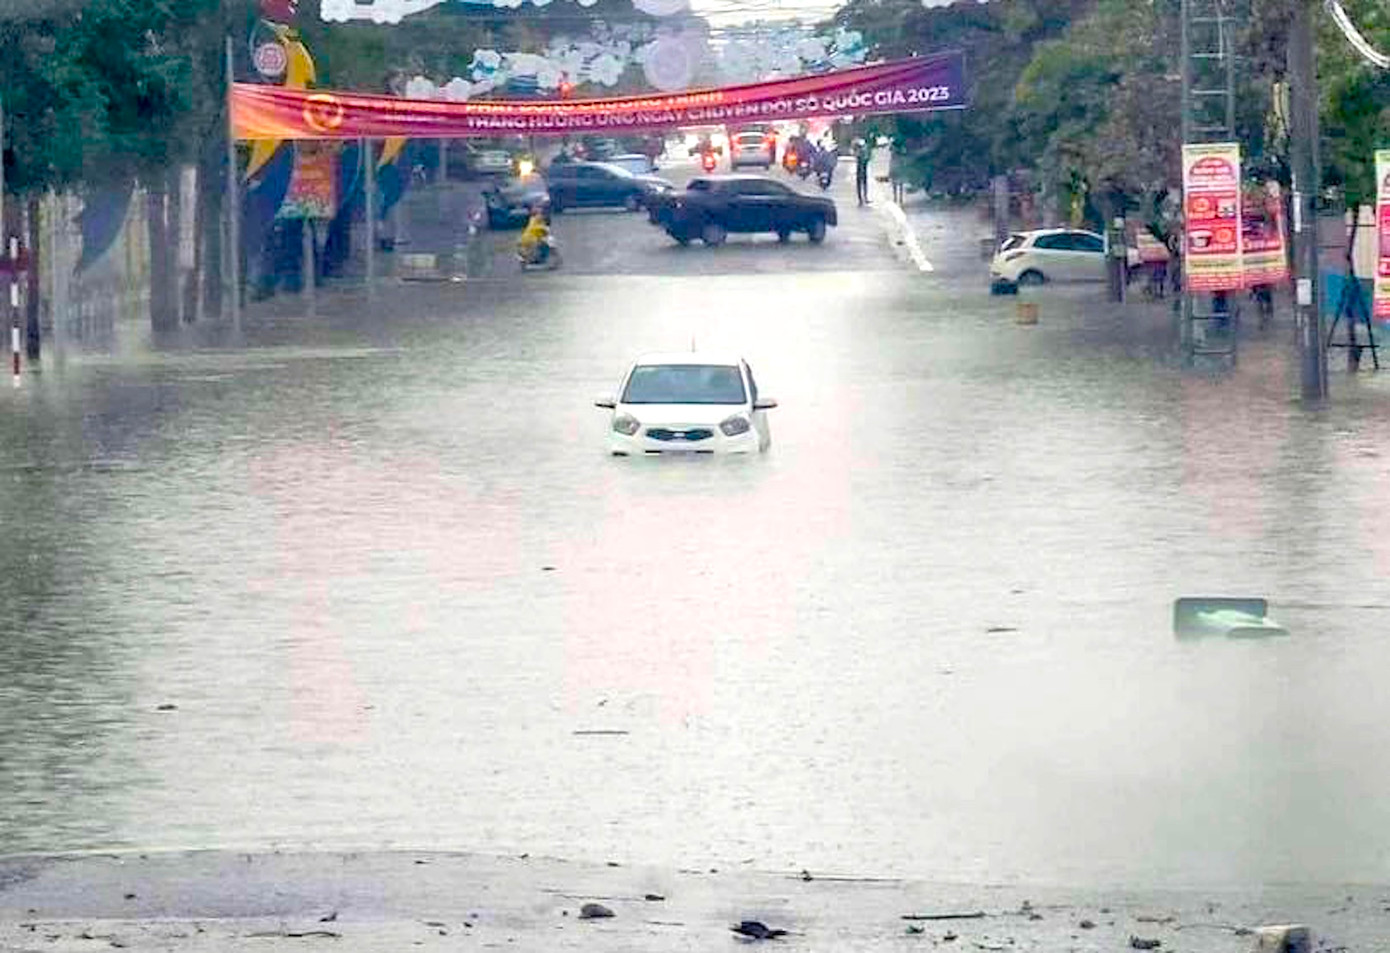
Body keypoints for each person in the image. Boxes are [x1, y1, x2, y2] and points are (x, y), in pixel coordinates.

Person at [853, 138, 872, 206]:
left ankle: (864, 198)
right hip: (861, 169)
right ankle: (861, 199)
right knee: (861, 184)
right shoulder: (859, 152)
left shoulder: (863, 151)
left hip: (863, 169)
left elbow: (868, 158)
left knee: (863, 183)